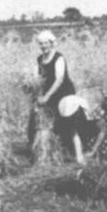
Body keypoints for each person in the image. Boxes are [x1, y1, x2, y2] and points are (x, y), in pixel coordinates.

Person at [35, 30, 87, 164]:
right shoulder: (40, 59)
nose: (43, 46)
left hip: (64, 94)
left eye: (46, 43)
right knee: (49, 126)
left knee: (70, 125)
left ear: (51, 43)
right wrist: (38, 94)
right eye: (41, 44)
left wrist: (46, 96)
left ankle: (79, 156)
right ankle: (56, 154)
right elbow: (38, 78)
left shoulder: (59, 58)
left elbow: (59, 79)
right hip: (48, 95)